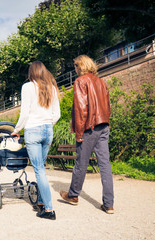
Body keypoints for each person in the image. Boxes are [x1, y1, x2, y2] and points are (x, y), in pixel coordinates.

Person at [59, 55, 114, 214]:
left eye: (75, 67)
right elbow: (108, 106)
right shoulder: (101, 82)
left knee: (81, 163)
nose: (75, 70)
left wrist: (79, 133)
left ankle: (73, 195)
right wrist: (104, 121)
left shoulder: (81, 81)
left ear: (80, 66)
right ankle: (109, 204)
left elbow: (81, 109)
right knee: (105, 165)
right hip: (103, 125)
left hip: (89, 127)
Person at [11, 61, 60, 220]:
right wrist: (48, 124)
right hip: (48, 130)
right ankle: (41, 201)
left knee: (39, 170)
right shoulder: (51, 87)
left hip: (33, 130)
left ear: (31, 72)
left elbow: (24, 113)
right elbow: (57, 114)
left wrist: (17, 129)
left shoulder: (27, 87)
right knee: (42, 170)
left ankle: (49, 210)